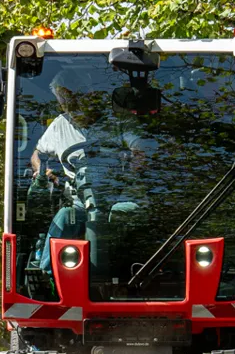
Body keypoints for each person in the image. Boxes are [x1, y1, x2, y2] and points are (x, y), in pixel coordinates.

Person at [31, 67, 150, 274]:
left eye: (73, 100)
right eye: (64, 102)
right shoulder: (60, 125)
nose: (70, 108)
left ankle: (130, 272)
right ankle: (48, 276)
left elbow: (140, 151)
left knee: (120, 215)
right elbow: (37, 154)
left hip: (119, 196)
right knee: (64, 218)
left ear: (88, 95)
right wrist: (44, 170)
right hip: (80, 203)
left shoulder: (119, 121)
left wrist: (129, 174)